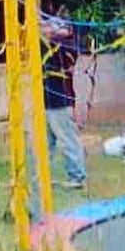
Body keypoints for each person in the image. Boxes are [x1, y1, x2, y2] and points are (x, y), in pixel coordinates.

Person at [40, 16, 87, 189]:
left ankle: (77, 177)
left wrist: (51, 29)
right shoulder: (49, 45)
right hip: (46, 102)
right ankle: (42, 176)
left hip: (60, 102)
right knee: (45, 143)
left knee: (68, 140)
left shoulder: (64, 45)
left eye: (50, 26)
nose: (44, 29)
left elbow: (62, 33)